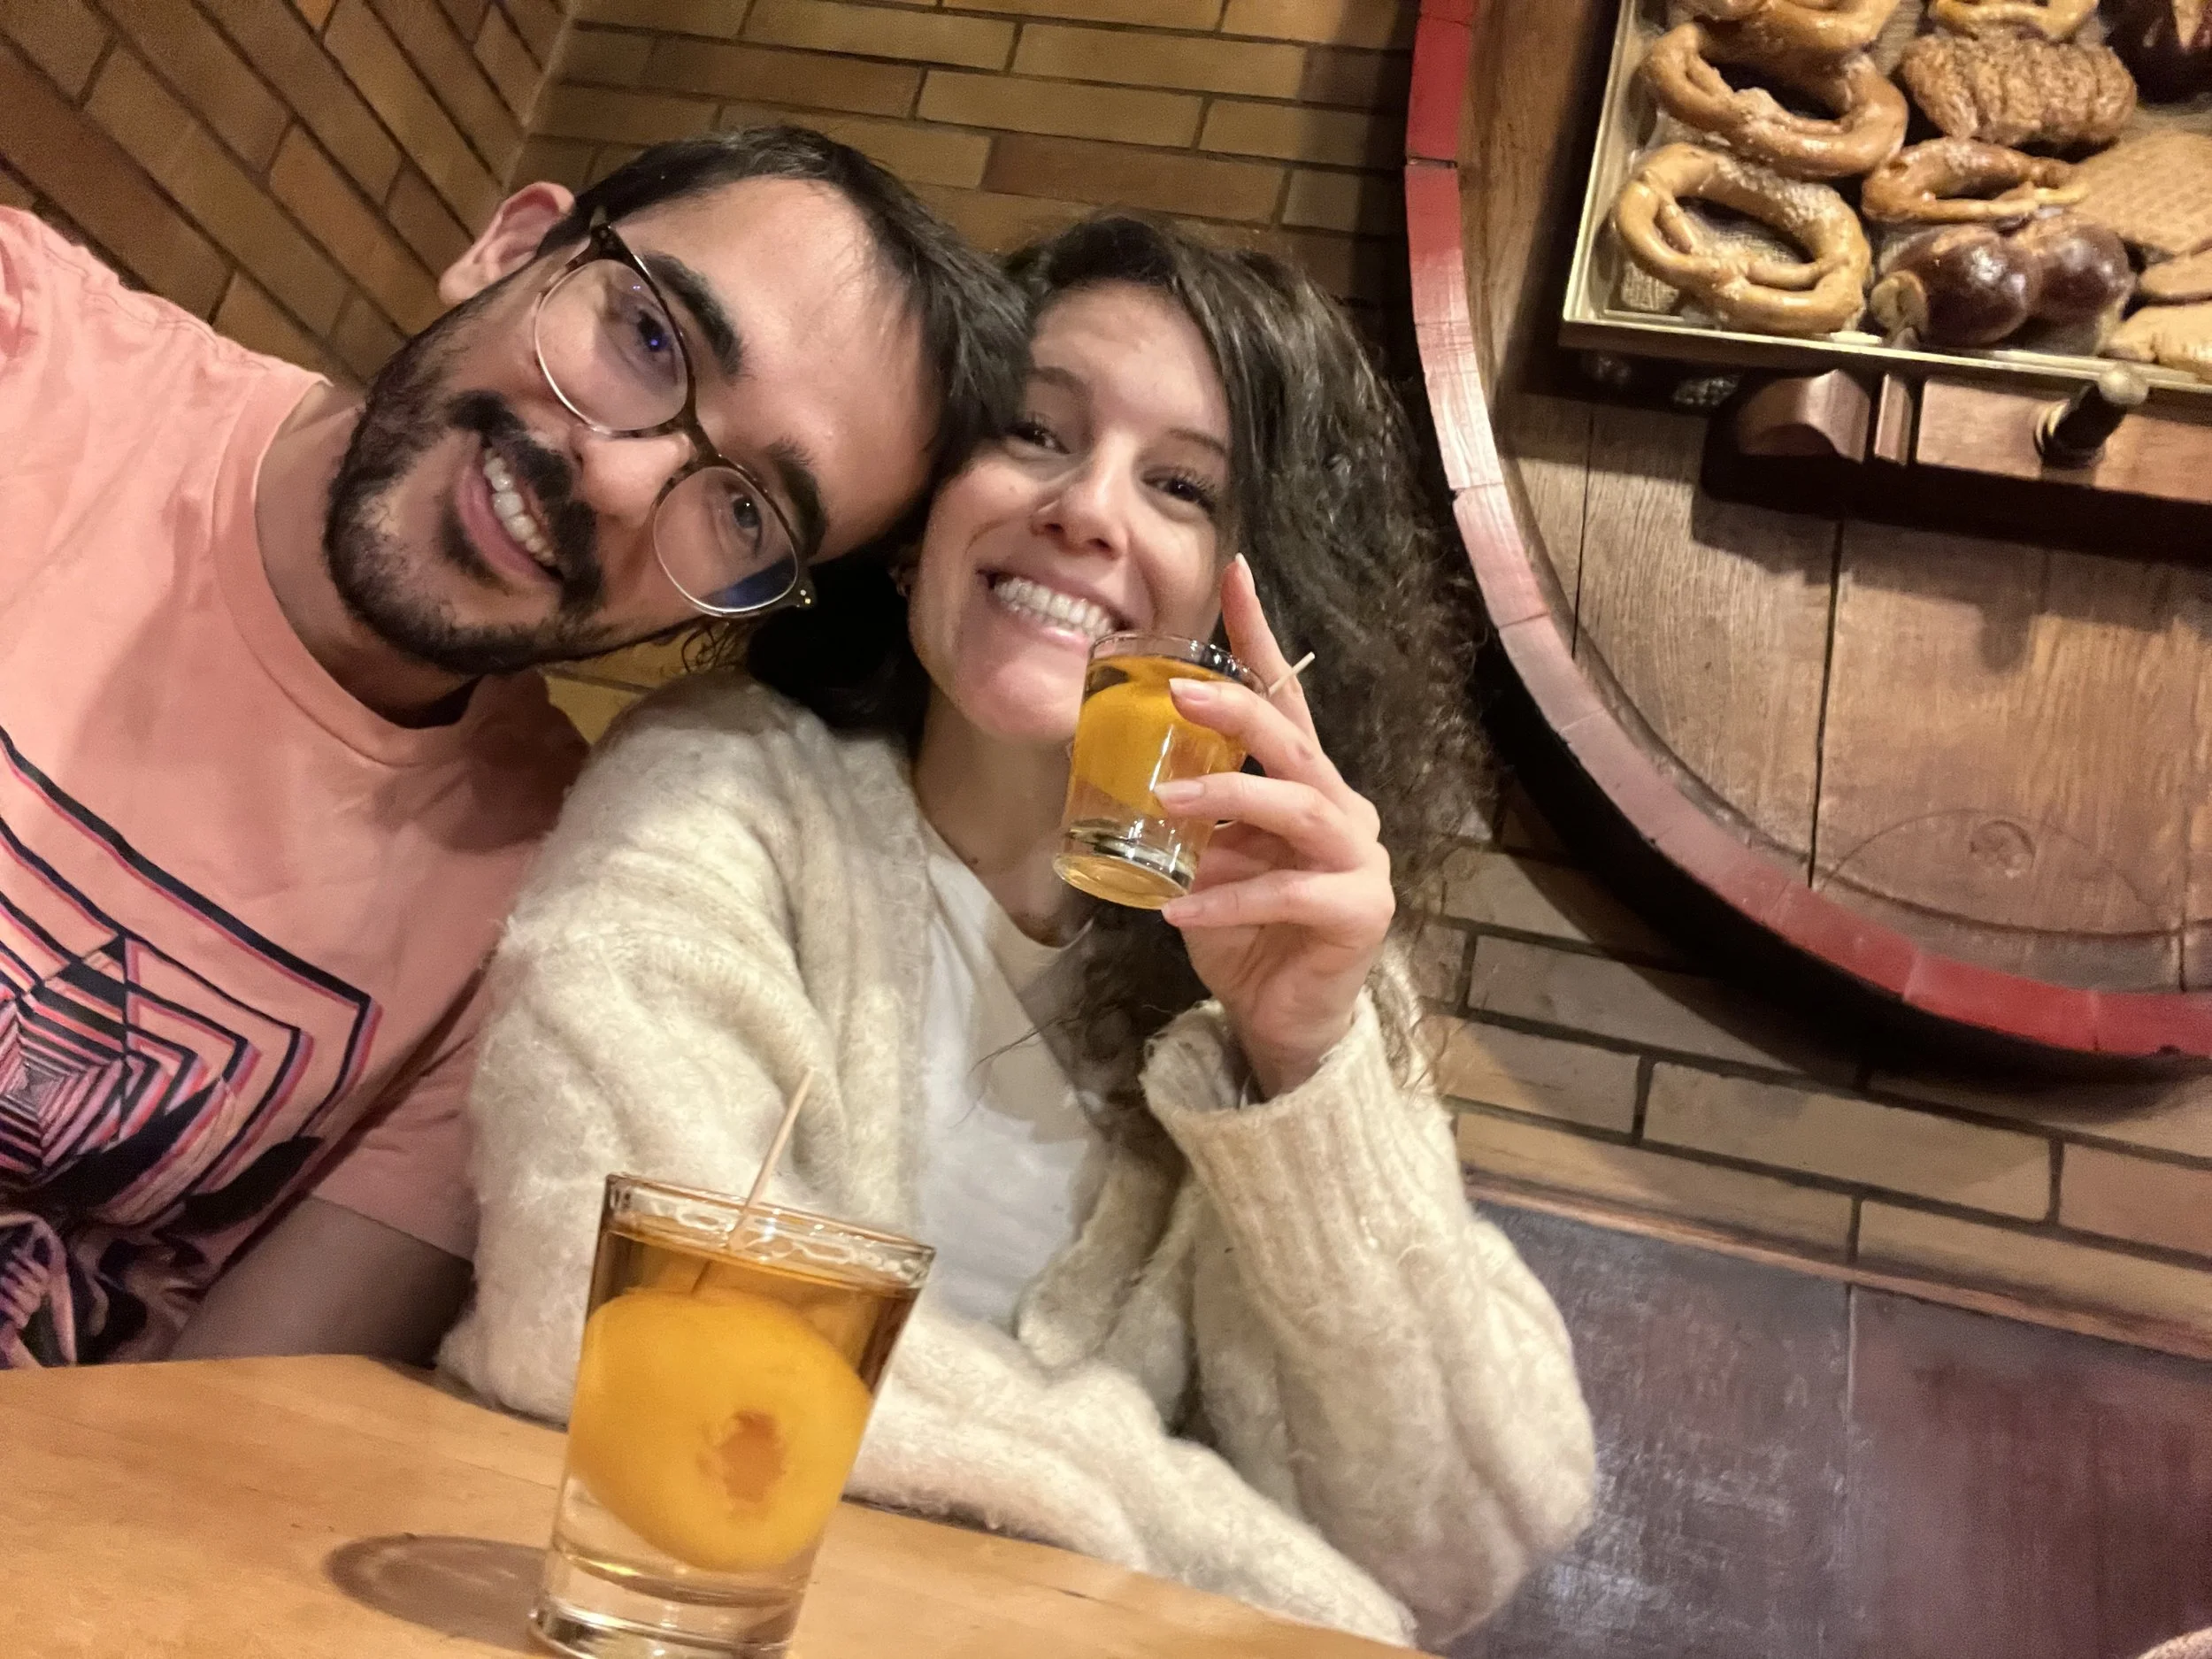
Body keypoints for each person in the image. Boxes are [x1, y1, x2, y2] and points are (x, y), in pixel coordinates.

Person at [442, 216, 1594, 1647]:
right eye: (1034, 432)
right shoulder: (721, 788)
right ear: (924, 513)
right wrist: (1236, 1573)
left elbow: (1463, 1540)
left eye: (1181, 486)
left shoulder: (1294, 965)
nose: (1087, 509)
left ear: (1257, 607)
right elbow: (606, 1305)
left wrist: (1304, 1070)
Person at [0, 127, 1026, 1368]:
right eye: (649, 339)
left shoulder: (544, 906)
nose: (619, 482)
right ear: (513, 246)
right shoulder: (31, 357)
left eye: (743, 510)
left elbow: (230, 1420)